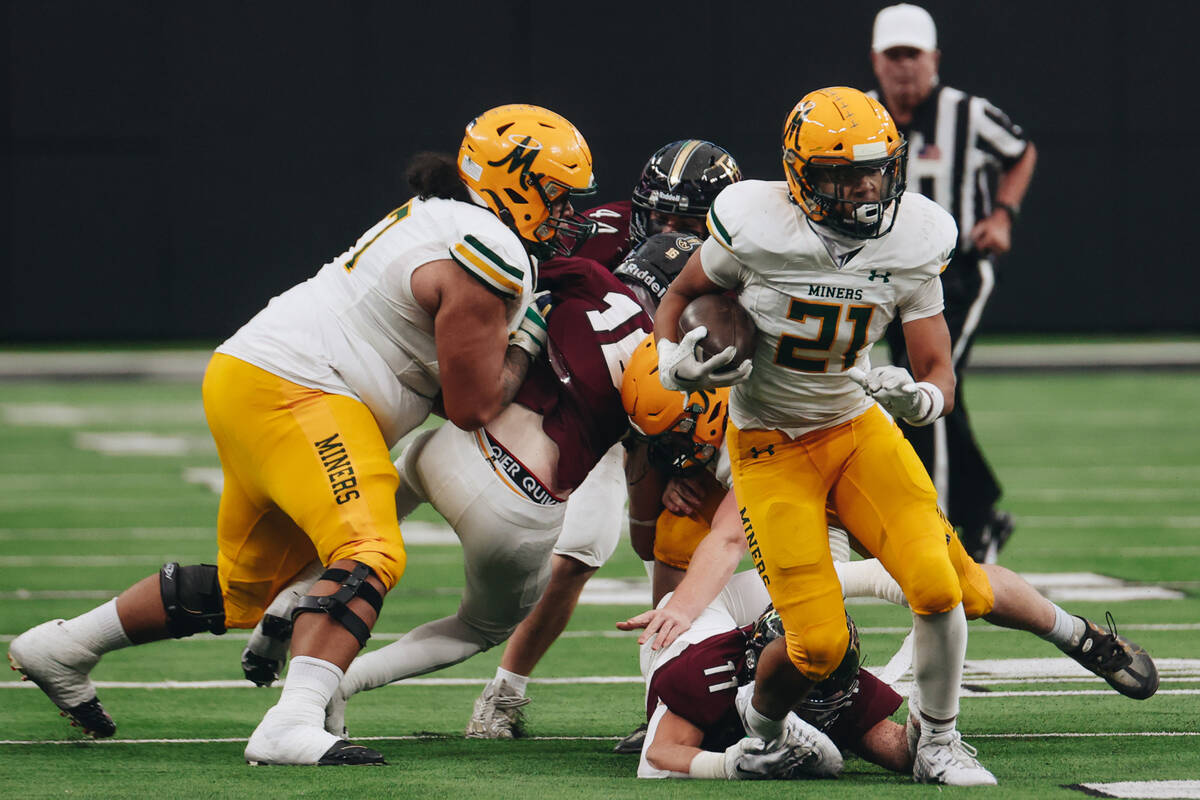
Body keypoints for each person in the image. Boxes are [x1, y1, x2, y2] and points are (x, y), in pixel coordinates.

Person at [7, 103, 598, 767]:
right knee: (370, 550)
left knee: (246, 591)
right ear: (513, 181)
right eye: (558, 196)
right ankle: (291, 721)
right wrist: (530, 339)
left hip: (254, 375)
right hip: (298, 388)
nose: (566, 215)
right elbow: (469, 405)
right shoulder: (488, 249)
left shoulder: (447, 217)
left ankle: (62, 647)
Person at [652, 85, 997, 785]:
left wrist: (921, 399)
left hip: (856, 426)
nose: (865, 187)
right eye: (843, 173)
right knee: (816, 646)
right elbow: (682, 298)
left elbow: (937, 369)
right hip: (770, 443)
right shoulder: (755, 225)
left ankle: (937, 741)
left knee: (937, 587)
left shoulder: (915, 235)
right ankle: (766, 727)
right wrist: (675, 364)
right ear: (800, 175)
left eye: (875, 169)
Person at [617, 338, 1159, 707]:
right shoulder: (693, 383)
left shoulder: (752, 413)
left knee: (960, 584)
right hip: (790, 493)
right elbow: (661, 526)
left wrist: (685, 606)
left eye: (675, 429)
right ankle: (676, 687)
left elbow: (733, 533)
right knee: (676, 533)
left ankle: (1079, 639)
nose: (667, 448)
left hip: (852, 465)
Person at [464, 140, 742, 744]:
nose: (669, 233)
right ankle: (504, 694)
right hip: (596, 405)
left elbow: (747, 374)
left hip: (682, 415)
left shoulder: (750, 260)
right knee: (576, 553)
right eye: (661, 218)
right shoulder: (597, 231)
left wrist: (695, 461)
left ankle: (668, 709)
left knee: (662, 547)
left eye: (688, 224)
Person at [319, 251, 654, 739]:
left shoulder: (591, 275)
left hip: (449, 449)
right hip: (516, 509)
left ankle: (283, 613)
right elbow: (657, 464)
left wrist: (520, 333)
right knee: (477, 628)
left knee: (344, 535)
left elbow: (492, 275)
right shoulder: (664, 363)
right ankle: (338, 686)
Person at [869, 3, 1038, 563]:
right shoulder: (859, 117)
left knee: (929, 381)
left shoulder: (967, 113)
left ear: (933, 59)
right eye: (894, 56)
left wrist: (1003, 215)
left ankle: (938, 525)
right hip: (884, 276)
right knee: (921, 388)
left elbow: (1021, 151)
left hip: (955, 271)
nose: (904, 68)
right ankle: (980, 514)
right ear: (876, 60)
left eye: (912, 56)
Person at [638, 574, 908, 779]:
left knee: (813, 591)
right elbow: (656, 759)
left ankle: (933, 584)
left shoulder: (836, 672)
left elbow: (898, 750)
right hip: (698, 623)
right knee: (799, 577)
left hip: (760, 631)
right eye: (800, 683)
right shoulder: (709, 672)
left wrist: (927, 732)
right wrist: (728, 764)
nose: (809, 690)